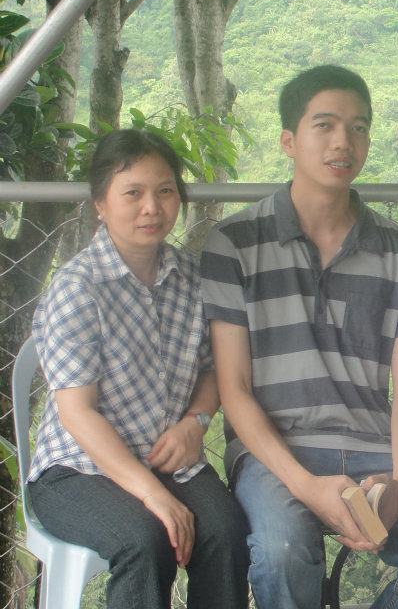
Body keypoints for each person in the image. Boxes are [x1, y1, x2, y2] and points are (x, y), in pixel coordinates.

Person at [200, 65, 398, 609]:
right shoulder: (234, 242)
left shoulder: (396, 249)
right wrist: (305, 485)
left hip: (374, 450)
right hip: (276, 452)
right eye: (324, 125)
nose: (343, 142)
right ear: (289, 141)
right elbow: (234, 389)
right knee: (282, 552)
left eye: (358, 127)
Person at [28, 130, 249, 609]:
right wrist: (153, 494)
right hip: (78, 469)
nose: (152, 207)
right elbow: (77, 414)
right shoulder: (78, 288)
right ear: (100, 205)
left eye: (165, 190)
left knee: (227, 531)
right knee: (145, 541)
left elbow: (215, 368)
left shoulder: (191, 277)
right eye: (133, 193)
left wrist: (196, 422)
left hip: (166, 457)